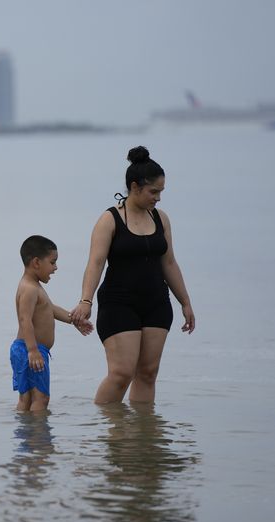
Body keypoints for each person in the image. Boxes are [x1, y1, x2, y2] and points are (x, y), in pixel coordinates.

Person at [69, 146, 195, 404]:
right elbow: (95, 263)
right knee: (121, 373)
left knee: (148, 374)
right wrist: (85, 300)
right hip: (118, 303)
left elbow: (169, 263)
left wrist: (185, 301)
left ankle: (143, 439)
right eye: (153, 192)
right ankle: (107, 433)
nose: (158, 198)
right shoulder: (110, 219)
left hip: (156, 303)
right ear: (135, 187)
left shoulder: (161, 219)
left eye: (161, 192)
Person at [12, 235, 93, 411]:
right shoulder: (30, 289)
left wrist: (74, 320)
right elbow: (24, 320)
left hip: (25, 349)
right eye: (52, 262)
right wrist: (33, 350)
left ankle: (26, 435)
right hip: (31, 349)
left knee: (26, 399)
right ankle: (39, 437)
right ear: (36, 262)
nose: (56, 267)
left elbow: (50, 309)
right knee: (41, 399)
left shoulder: (34, 287)